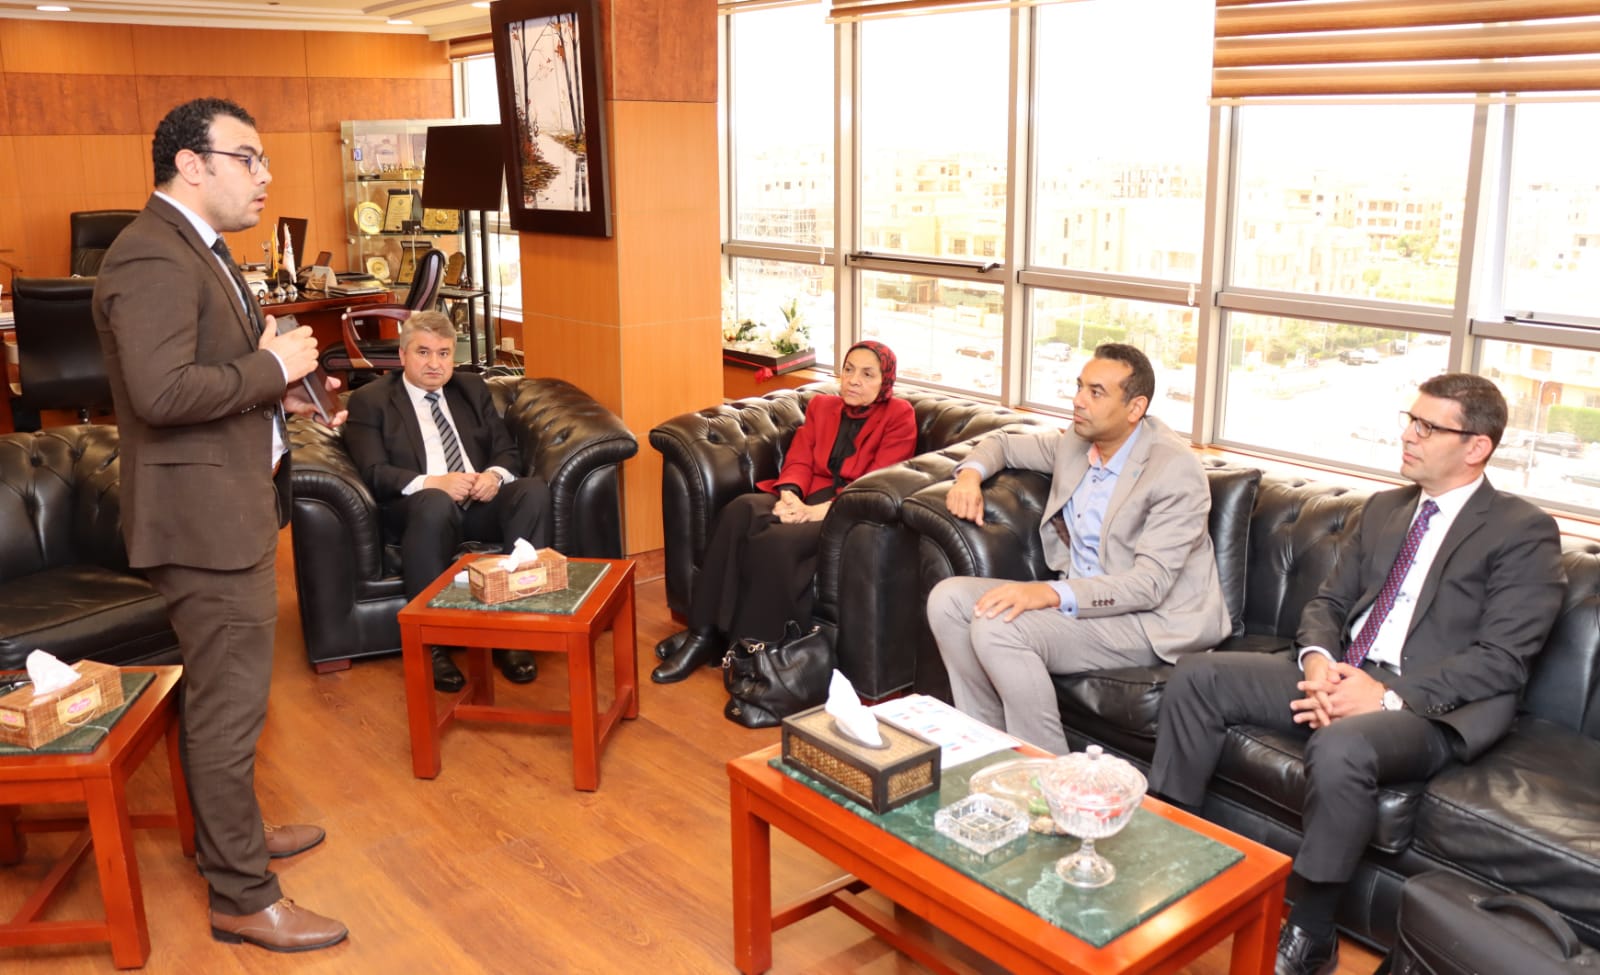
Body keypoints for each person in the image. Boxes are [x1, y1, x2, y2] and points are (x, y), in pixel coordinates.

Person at [1148, 373, 1565, 975]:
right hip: (1345, 670)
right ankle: (1167, 856)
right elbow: (1328, 603)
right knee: (1197, 677)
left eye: (1428, 427)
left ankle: (1312, 932)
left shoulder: (1521, 529)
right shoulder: (1386, 508)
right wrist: (1319, 663)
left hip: (1430, 706)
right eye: (1410, 420)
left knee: (1342, 743)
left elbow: (1502, 658)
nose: (1409, 435)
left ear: (1476, 446)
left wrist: (1384, 695)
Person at [93, 97, 348, 952]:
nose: (266, 175)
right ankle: (242, 894)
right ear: (191, 164)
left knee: (224, 698)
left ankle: (226, 837)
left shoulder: (201, 248)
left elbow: (214, 374)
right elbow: (162, 393)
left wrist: (285, 393)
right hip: (201, 521)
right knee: (227, 709)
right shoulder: (152, 254)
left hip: (227, 503)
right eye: (249, 157)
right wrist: (270, 365)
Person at [927, 343, 1228, 756]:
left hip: (1150, 619)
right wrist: (968, 479)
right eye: (1079, 386)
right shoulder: (1076, 441)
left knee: (999, 627)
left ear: (1135, 407)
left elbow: (1149, 585)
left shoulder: (1174, 470)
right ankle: (986, 749)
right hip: (1082, 598)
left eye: (1096, 392)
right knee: (947, 601)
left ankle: (1047, 773)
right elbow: (1002, 443)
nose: (1078, 400)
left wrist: (1050, 593)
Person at [652, 340, 917, 683]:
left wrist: (818, 512)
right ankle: (703, 635)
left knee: (777, 542)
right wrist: (790, 494)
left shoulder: (899, 416)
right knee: (739, 511)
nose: (854, 380)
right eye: (849, 369)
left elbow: (878, 480)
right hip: (805, 495)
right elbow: (800, 456)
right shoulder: (823, 406)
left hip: (849, 512)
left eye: (868, 374)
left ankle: (755, 658)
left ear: (885, 381)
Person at [343, 310, 551, 691]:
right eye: (423, 352)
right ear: (403, 355)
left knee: (532, 491)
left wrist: (493, 476)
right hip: (418, 510)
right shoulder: (371, 400)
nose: (434, 364)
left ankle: (514, 633)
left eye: (443, 354)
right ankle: (433, 645)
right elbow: (373, 471)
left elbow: (507, 452)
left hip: (478, 502)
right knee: (434, 502)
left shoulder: (470, 389)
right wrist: (434, 483)